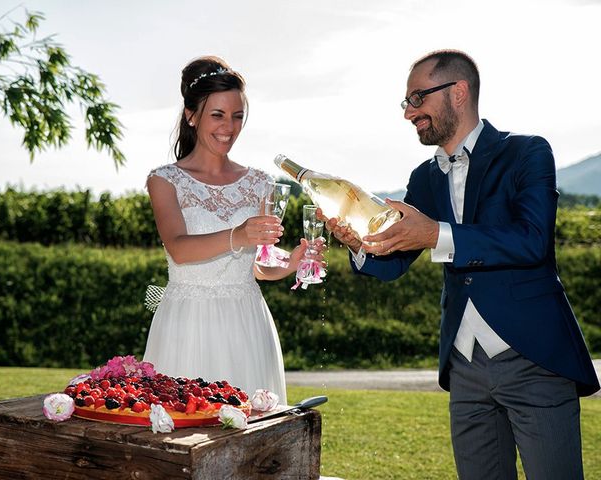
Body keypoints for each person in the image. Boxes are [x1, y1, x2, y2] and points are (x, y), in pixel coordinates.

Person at [323, 49, 600, 479]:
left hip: (535, 357)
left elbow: (532, 241)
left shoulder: (527, 153)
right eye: (406, 103)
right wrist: (360, 245)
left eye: (417, 98)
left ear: (458, 92)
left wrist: (436, 233)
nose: (408, 113)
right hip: (464, 366)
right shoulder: (423, 178)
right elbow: (392, 264)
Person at [143, 56, 316, 405]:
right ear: (192, 116)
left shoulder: (259, 183)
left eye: (237, 116)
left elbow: (255, 265)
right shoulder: (165, 180)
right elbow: (179, 248)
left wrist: (292, 263)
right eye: (218, 115)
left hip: (247, 321)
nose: (229, 126)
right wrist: (238, 235)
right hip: (188, 322)